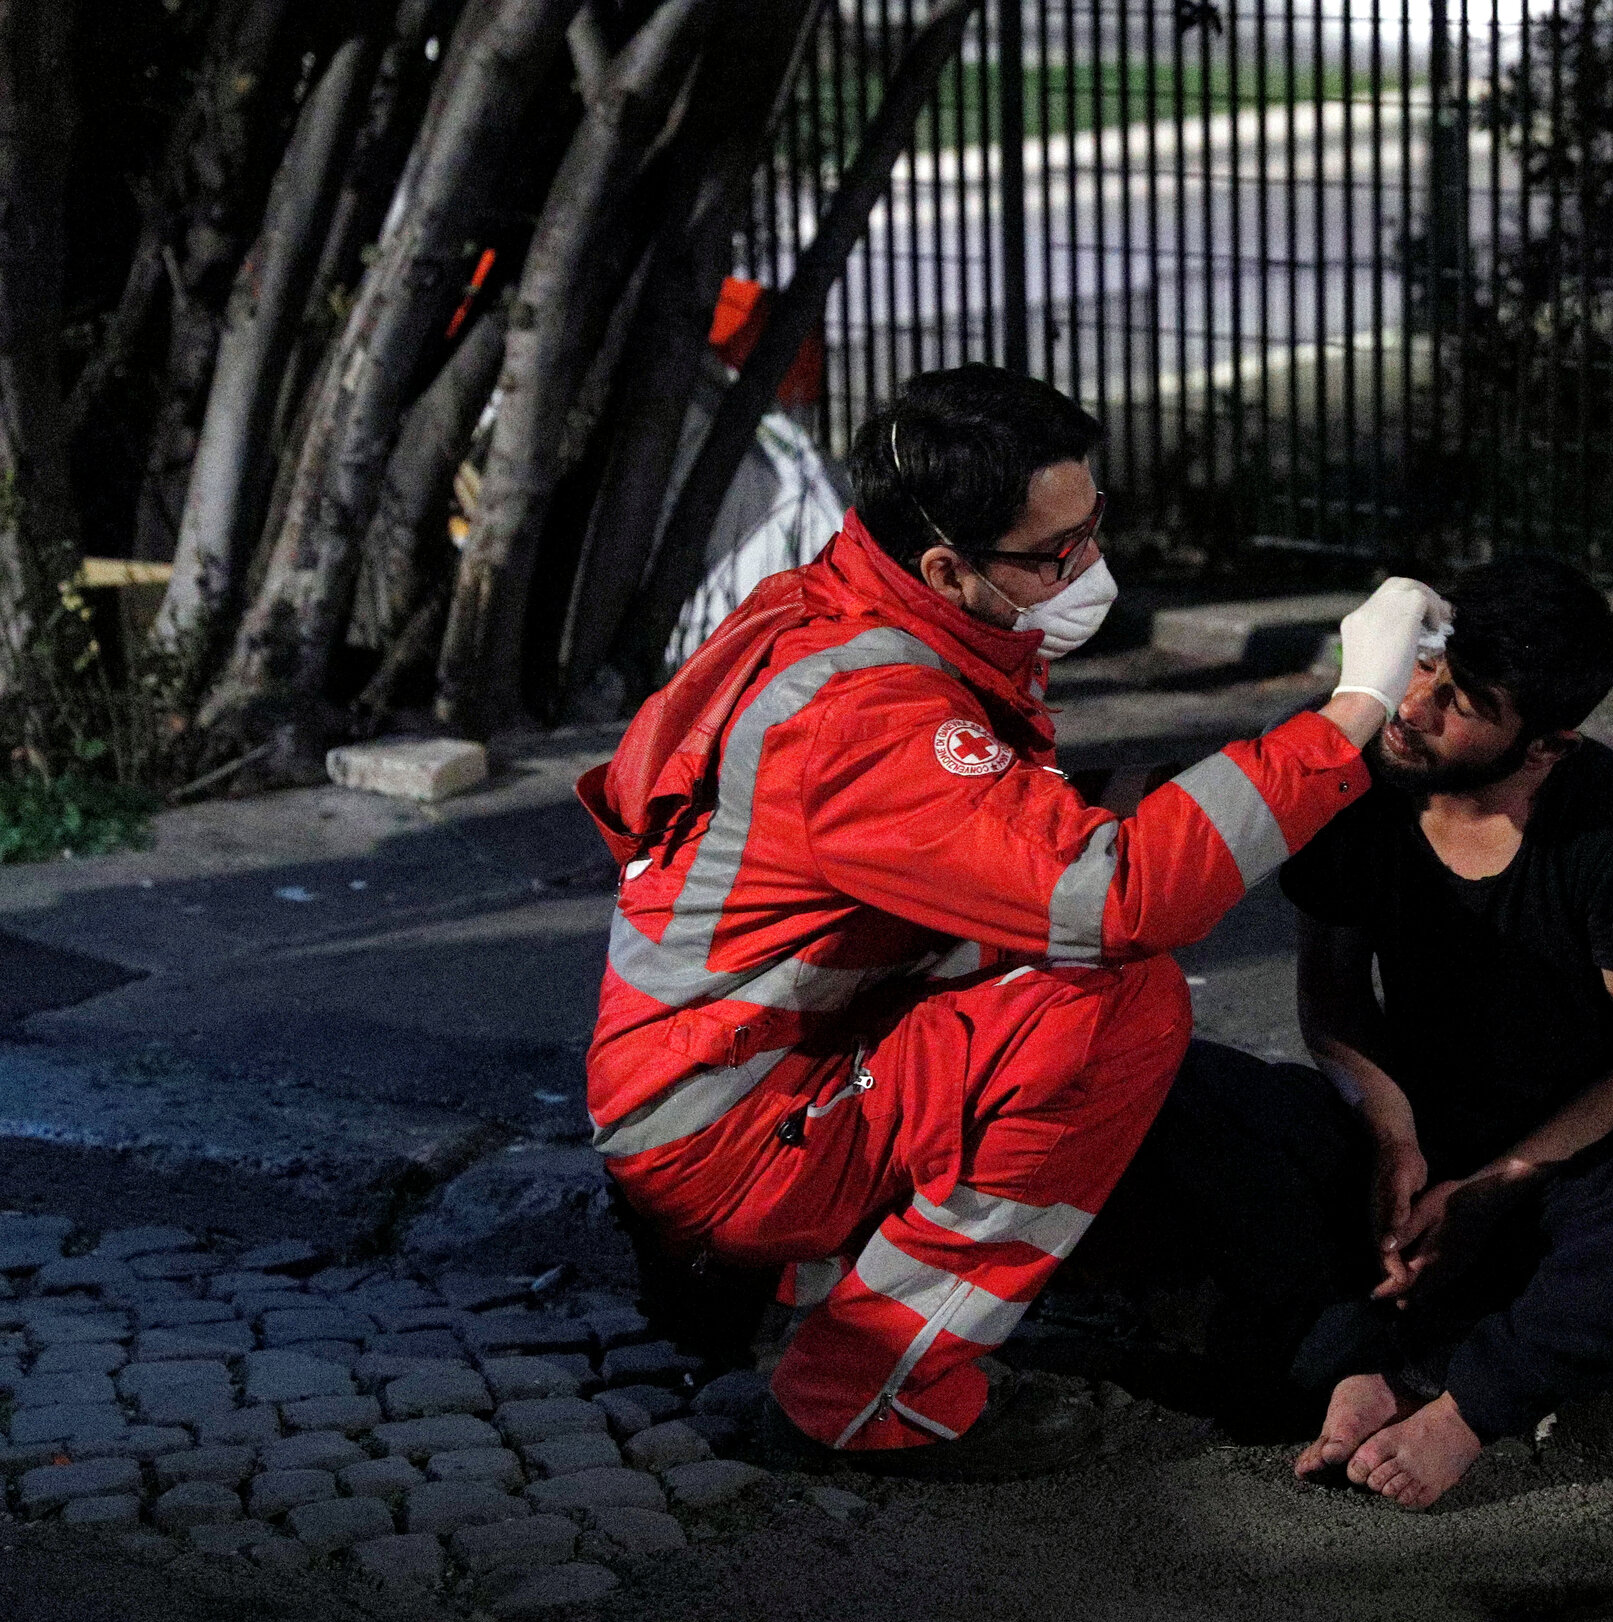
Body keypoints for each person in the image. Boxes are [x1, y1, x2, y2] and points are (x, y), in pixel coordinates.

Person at [575, 364, 1447, 1482]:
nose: (1087, 568)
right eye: (1054, 554)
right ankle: (865, 1388)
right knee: (1114, 1000)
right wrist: (1351, 709)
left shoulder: (842, 605)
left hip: (734, 1073)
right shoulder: (863, 711)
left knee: (1101, 1010)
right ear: (946, 564)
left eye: (1092, 527)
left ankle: (772, 1277)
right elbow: (1116, 891)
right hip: (734, 1125)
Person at [1109, 556, 1613, 1508]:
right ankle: (1361, 1361)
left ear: (1547, 743)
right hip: (1411, 1137)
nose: (1413, 703)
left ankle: (1459, 1405)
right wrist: (1391, 1129)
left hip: (1566, 1153)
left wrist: (1497, 1184)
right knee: (1156, 1078)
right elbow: (1331, 994)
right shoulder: (1364, 780)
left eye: (1463, 699)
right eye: (1422, 667)